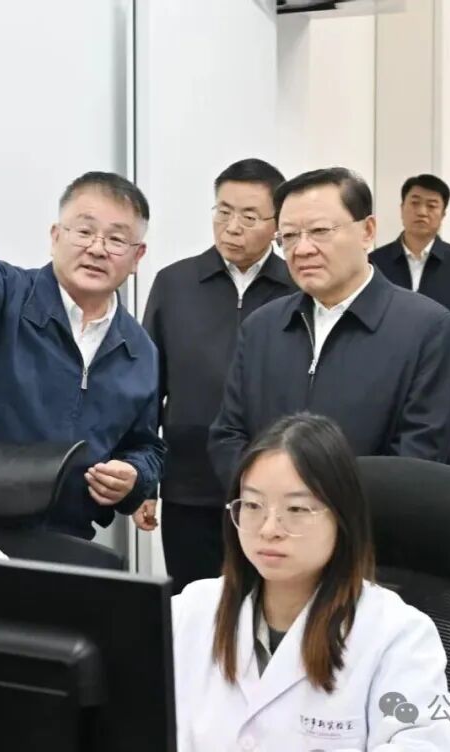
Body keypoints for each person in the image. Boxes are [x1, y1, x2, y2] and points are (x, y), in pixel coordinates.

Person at [172, 413, 450, 750]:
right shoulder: (190, 611)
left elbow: (428, 743)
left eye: (297, 509)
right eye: (253, 505)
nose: (269, 529)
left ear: (342, 518)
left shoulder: (397, 635)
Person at [0, 171, 165, 542]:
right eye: (84, 231)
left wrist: (135, 477)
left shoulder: (141, 351)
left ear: (137, 256)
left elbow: (145, 445)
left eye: (116, 239)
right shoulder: (8, 292)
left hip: (63, 535)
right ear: (55, 236)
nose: (97, 249)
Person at [208, 167, 450, 489]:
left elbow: (420, 456)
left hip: (373, 518)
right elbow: (228, 434)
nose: (302, 249)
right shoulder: (262, 326)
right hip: (270, 515)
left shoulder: (427, 328)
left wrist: (322, 507)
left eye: (320, 231)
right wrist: (272, 499)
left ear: (367, 231)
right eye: (289, 236)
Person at [143, 158, 296, 593]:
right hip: (189, 483)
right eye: (223, 211)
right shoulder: (175, 283)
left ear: (277, 224)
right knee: (194, 603)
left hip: (276, 486)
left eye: (249, 216)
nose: (232, 227)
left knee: (273, 601)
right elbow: (147, 387)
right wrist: (145, 481)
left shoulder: (297, 288)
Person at [370, 174, 450, 437]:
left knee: (435, 451)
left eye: (432, 205)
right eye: (414, 202)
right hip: (384, 379)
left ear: (443, 214)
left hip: (440, 380)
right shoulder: (376, 262)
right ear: (402, 208)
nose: (422, 211)